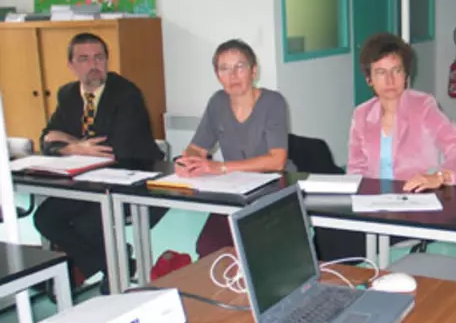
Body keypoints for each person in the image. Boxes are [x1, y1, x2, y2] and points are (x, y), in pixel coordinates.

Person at [33, 32, 163, 293]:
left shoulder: (126, 94)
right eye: (84, 59)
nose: (93, 65)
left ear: (107, 60)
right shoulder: (67, 94)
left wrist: (69, 144)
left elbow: (112, 150)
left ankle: (109, 270)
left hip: (132, 177)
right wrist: (75, 147)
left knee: (86, 224)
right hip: (86, 181)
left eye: (99, 57)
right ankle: (114, 266)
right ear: (71, 65)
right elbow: (47, 138)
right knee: (45, 219)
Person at [177, 39, 288, 258]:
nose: (233, 76)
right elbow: (196, 147)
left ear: (254, 71)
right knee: (209, 247)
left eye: (240, 67)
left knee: (254, 248)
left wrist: (220, 167)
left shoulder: (273, 102)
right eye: (224, 69)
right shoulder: (217, 103)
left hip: (272, 189)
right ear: (218, 75)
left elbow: (277, 160)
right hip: (234, 190)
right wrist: (187, 161)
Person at [347, 32, 456, 191]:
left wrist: (439, 176)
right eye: (381, 72)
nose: (390, 80)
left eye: (396, 70)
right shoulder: (361, 114)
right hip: (375, 204)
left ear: (406, 75)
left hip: (418, 200)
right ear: (369, 79)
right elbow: (356, 171)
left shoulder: (423, 106)